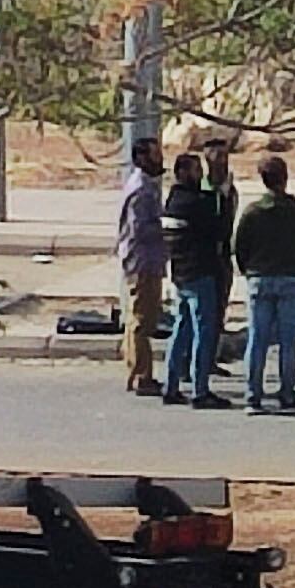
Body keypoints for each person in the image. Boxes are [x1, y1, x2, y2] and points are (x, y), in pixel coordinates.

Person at [234, 148, 295, 416]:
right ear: (285, 178)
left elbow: (239, 247)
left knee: (257, 339)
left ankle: (253, 396)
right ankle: (287, 394)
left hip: (260, 279)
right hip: (291, 279)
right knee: (288, 342)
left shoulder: (252, 213)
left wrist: (249, 271)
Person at [158, 143, 233, 407]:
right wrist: (222, 198)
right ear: (184, 173)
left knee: (181, 329)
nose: (200, 175)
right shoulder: (197, 203)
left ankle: (171, 384)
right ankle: (200, 390)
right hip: (201, 272)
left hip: (180, 274)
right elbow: (220, 231)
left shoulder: (173, 201)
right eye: (196, 170)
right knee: (204, 331)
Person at [115, 135, 168, 396]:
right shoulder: (142, 190)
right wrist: (166, 227)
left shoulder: (147, 185)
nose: (161, 159)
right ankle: (141, 375)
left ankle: (136, 368)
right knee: (141, 319)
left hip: (146, 259)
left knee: (139, 317)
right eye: (155, 154)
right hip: (143, 260)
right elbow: (139, 229)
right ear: (142, 158)